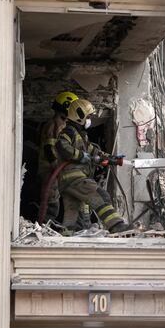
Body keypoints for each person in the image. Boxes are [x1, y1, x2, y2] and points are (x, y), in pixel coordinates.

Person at [55, 98, 129, 234]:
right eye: (88, 116)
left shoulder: (81, 136)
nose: (90, 120)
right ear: (79, 116)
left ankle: (68, 235)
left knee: (74, 212)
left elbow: (94, 152)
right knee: (101, 196)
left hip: (67, 182)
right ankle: (116, 225)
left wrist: (111, 159)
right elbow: (62, 147)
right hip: (75, 178)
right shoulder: (68, 132)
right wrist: (82, 156)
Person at [38, 91, 78, 224]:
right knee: (51, 201)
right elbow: (49, 148)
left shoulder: (65, 125)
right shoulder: (53, 125)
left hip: (59, 171)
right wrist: (56, 166)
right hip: (51, 170)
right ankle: (45, 227)